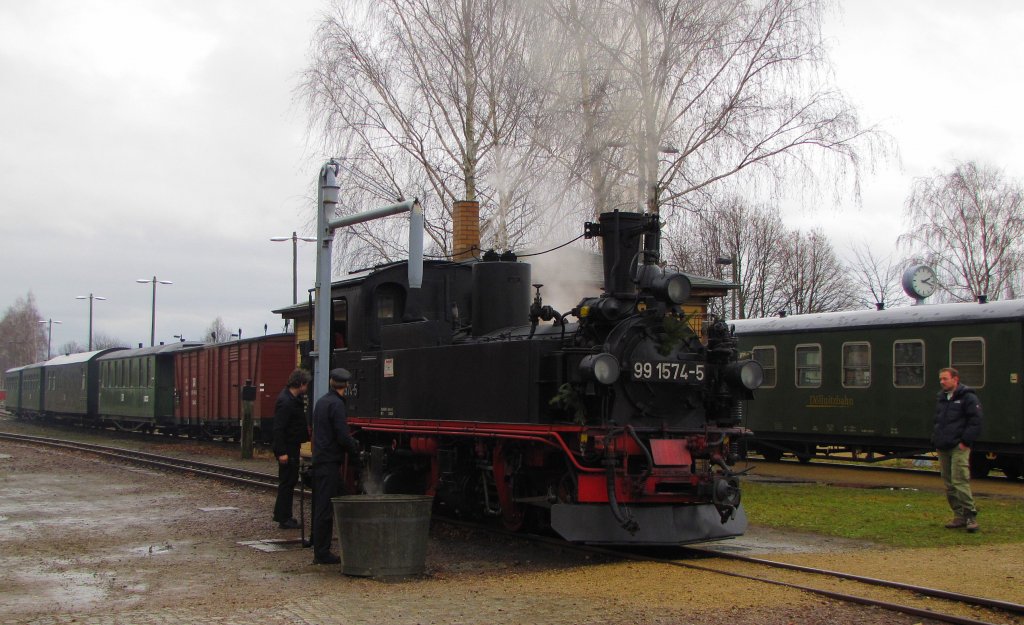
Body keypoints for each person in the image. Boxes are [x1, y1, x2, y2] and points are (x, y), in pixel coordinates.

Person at [309, 367, 361, 565]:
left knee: (341, 499)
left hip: (322, 458)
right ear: (346, 386)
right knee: (325, 508)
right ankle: (321, 553)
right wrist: (354, 451)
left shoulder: (322, 402)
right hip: (329, 461)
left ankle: (324, 546)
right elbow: (342, 434)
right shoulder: (337, 405)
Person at [932, 367, 983, 533]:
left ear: (955, 379)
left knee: (960, 480)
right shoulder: (942, 398)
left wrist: (965, 442)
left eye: (945, 379)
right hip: (943, 446)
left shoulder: (968, 397)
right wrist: (936, 440)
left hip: (958, 446)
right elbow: (939, 421)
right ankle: (958, 515)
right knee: (949, 484)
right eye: (940, 379)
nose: (942, 382)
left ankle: (970, 516)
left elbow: (975, 421)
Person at [271, 368, 312, 529]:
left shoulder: (292, 399)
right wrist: (281, 452)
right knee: (287, 482)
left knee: (290, 481)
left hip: (292, 446)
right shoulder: (286, 401)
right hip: (287, 447)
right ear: (300, 384)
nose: (307, 388)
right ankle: (283, 517)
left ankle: (284, 515)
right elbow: (278, 428)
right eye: (306, 384)